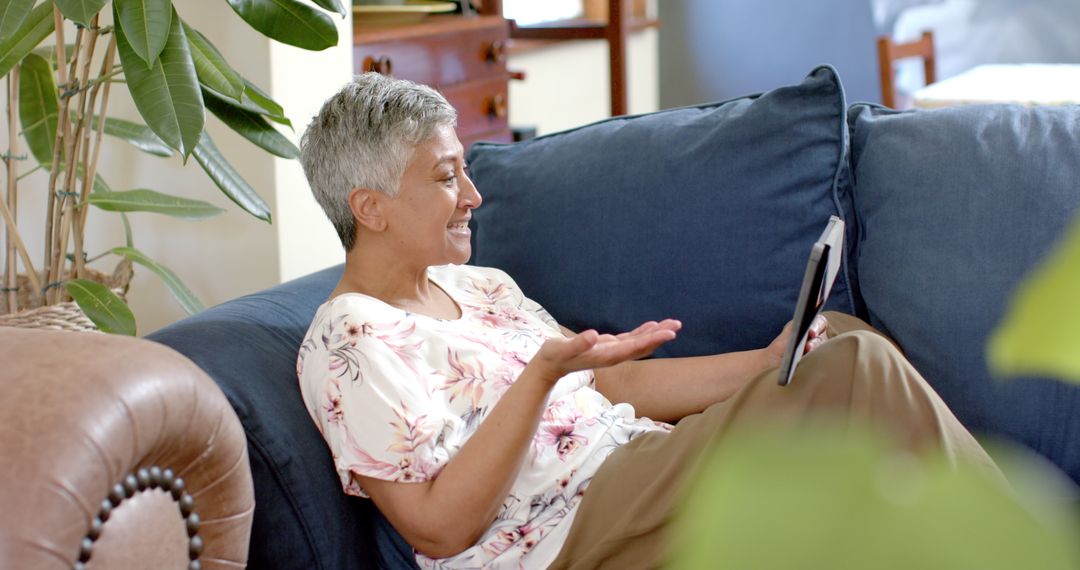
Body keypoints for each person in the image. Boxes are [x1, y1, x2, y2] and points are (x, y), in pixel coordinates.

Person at [296, 73, 999, 569]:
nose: (473, 195)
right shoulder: (349, 337)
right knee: (857, 371)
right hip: (569, 535)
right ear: (371, 208)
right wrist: (541, 376)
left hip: (638, 469)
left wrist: (766, 361)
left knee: (837, 341)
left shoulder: (480, 286)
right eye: (447, 176)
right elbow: (441, 530)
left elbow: (604, 391)